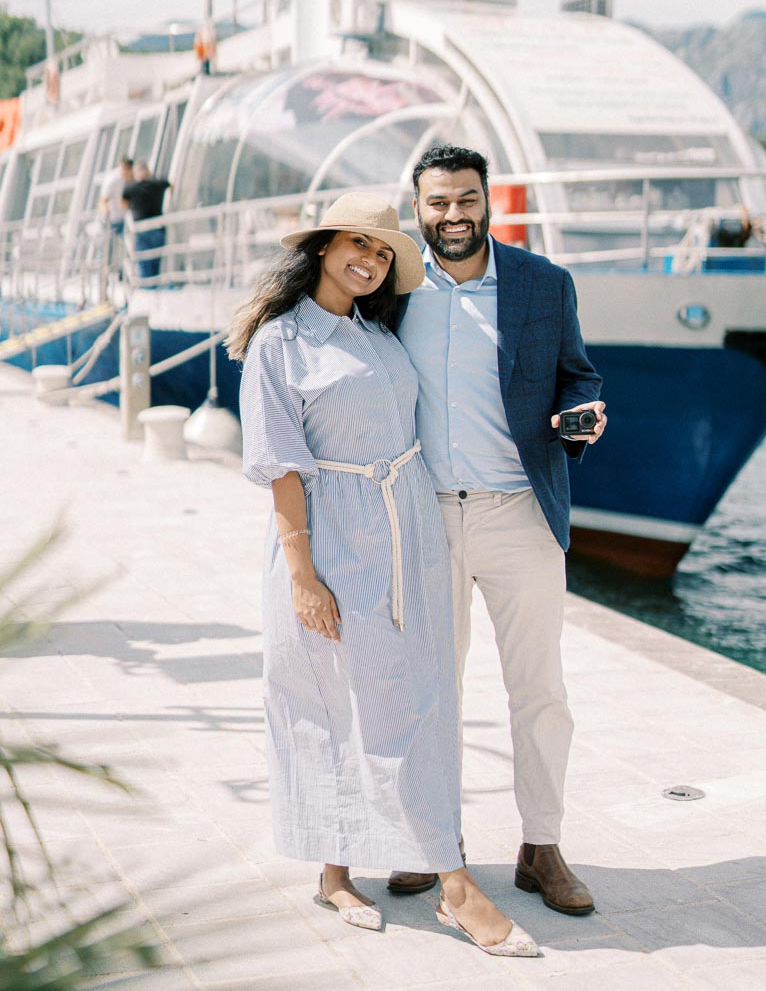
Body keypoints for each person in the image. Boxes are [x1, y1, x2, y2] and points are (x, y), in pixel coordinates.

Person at [227, 192, 538, 957]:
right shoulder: (280, 344)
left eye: (382, 253)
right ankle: (443, 882)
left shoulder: (376, 332)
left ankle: (381, 864)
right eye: (356, 245)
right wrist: (303, 574)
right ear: (324, 245)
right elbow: (280, 466)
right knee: (334, 698)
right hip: (331, 537)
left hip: (407, 532)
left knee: (411, 697)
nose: (368, 261)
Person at [388, 145, 606, 917]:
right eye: (438, 202)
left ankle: (541, 846)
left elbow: (577, 373)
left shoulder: (544, 284)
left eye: (466, 199)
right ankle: (428, 841)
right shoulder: (393, 287)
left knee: (539, 689)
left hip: (521, 511)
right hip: (424, 513)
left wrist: (585, 413)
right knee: (427, 688)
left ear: (488, 200)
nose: (454, 215)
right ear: (417, 208)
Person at [122, 159, 170, 281]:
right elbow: (171, 184)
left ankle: (149, 288)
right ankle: (154, 286)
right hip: (158, 229)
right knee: (155, 264)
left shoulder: (131, 188)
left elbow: (123, 204)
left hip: (141, 230)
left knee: (144, 265)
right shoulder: (158, 184)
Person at [98, 156, 133, 266]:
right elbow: (103, 199)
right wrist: (105, 213)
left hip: (125, 219)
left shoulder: (133, 178)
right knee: (106, 248)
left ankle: (125, 274)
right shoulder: (113, 179)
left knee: (129, 246)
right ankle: (104, 276)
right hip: (111, 219)